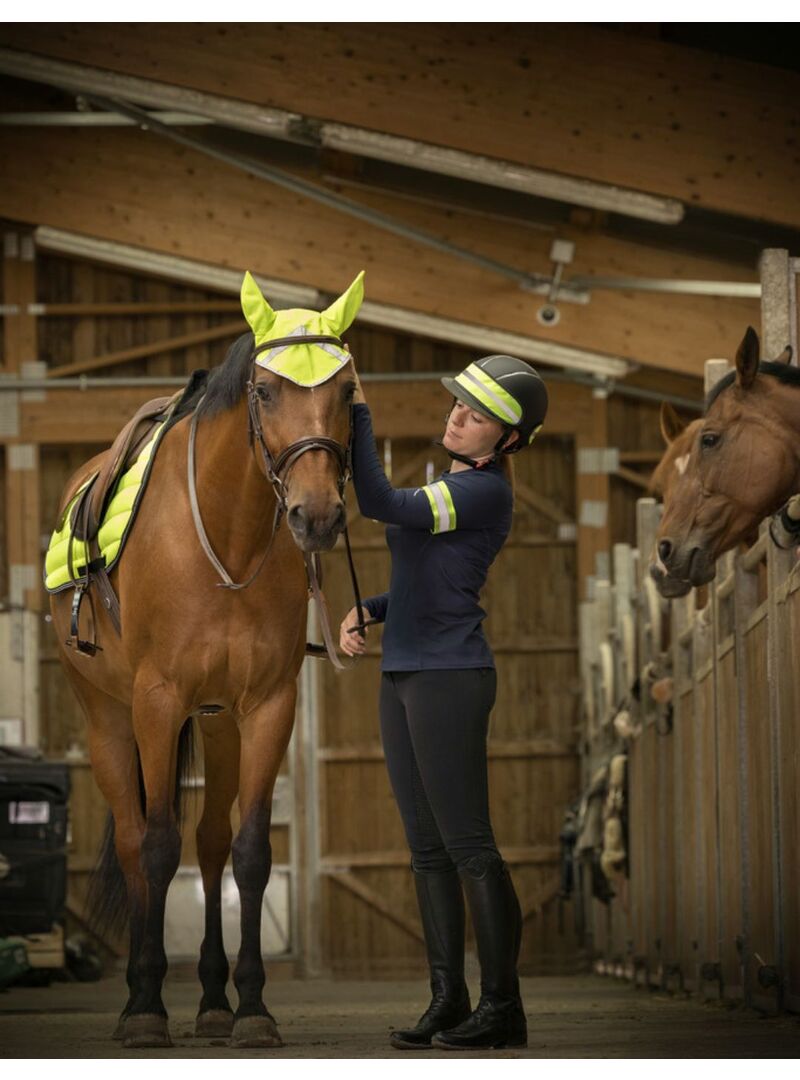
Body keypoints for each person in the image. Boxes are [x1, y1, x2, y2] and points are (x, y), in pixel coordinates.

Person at [339, 354, 548, 1051]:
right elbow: (429, 585)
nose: (458, 413)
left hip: (449, 676)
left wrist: (358, 412)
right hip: (405, 672)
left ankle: (502, 1008)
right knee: (426, 850)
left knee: (469, 847)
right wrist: (368, 610)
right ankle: (447, 999)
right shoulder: (451, 485)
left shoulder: (484, 492)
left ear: (506, 442)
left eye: (478, 413)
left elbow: (378, 504)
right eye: (459, 402)